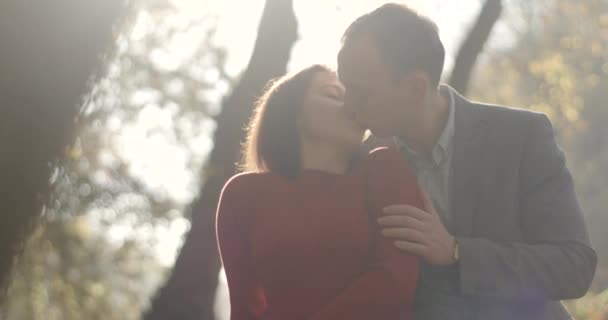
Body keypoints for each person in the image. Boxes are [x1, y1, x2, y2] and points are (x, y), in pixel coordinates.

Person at [336, 3, 597, 320]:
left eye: (360, 92)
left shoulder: (521, 137)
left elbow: (573, 267)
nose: (347, 106)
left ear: (415, 87)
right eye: (343, 87)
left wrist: (456, 251)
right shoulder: (362, 162)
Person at [216, 64, 425, 320]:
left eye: (357, 96)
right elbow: (245, 308)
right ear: (293, 112)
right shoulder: (243, 194)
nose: (352, 104)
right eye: (334, 94)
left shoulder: (385, 170)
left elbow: (396, 279)